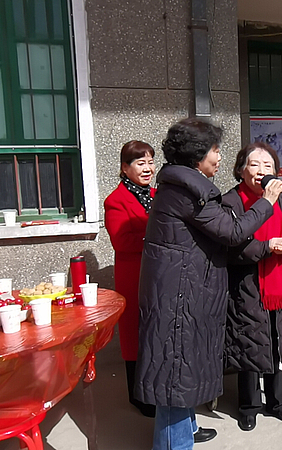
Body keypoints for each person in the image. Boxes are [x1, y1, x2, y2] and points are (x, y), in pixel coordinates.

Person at [135, 118, 282, 450]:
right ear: (197, 153)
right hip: (178, 298)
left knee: (181, 369)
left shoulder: (184, 184)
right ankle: (174, 443)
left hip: (183, 291)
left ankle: (186, 429)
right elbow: (232, 232)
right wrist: (267, 201)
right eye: (215, 150)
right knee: (175, 374)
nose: (219, 157)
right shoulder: (189, 191)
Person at [222, 143, 282, 431]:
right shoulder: (231, 202)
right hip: (246, 286)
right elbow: (231, 246)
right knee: (250, 343)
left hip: (280, 284)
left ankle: (277, 402)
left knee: (278, 341)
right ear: (241, 170)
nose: (261, 170)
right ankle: (248, 406)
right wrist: (266, 246)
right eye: (254, 164)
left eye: (268, 165)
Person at [103, 140, 158, 418]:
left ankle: (155, 389)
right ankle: (139, 396)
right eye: (140, 163)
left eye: (150, 162)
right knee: (136, 333)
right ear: (125, 168)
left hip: (158, 273)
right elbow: (121, 241)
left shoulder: (157, 195)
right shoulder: (115, 200)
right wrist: (157, 239)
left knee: (154, 331)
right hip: (133, 275)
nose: (147, 168)